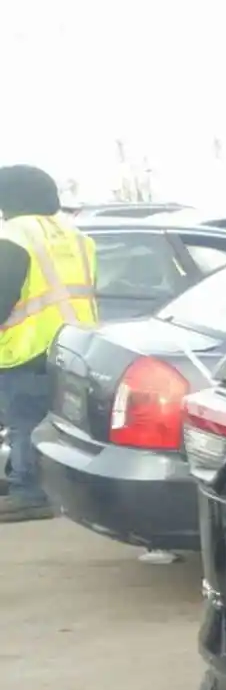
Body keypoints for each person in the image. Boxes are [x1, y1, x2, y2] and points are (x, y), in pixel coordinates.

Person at [0, 165, 97, 522]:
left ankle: (29, 492)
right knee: (53, 421)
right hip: (75, 343)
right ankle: (31, 480)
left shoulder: (15, 234)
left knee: (23, 419)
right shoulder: (76, 236)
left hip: (27, 345)